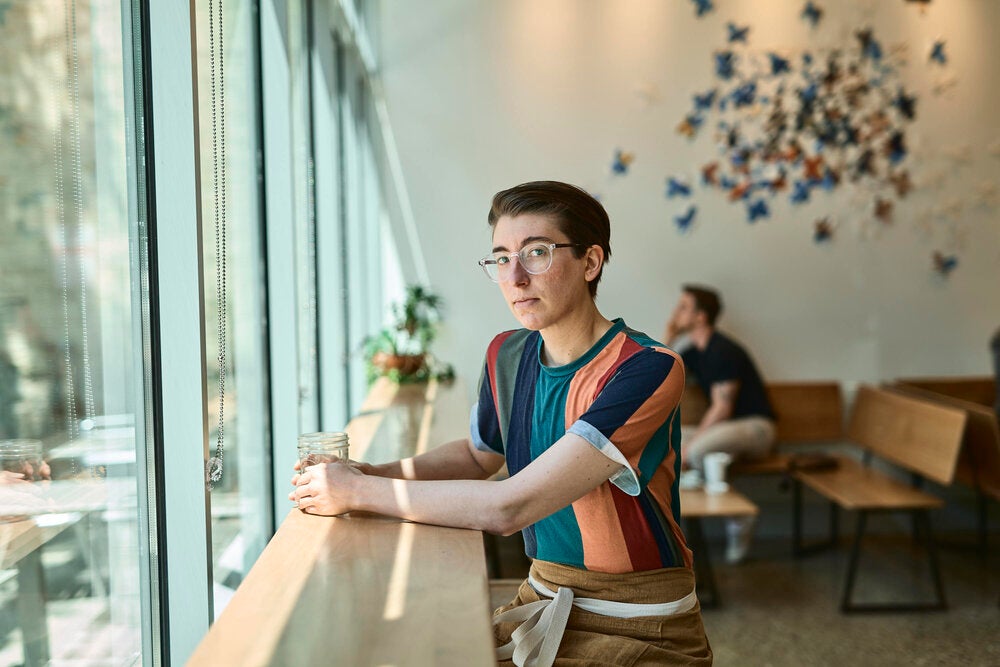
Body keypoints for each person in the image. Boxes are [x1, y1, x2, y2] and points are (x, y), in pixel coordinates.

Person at [290, 181, 712, 665]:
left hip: (644, 622)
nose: (515, 277)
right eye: (501, 258)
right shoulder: (506, 354)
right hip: (543, 597)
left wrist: (358, 494)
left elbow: (511, 508)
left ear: (591, 263)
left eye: (536, 253)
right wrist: (371, 473)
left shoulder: (647, 368)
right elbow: (477, 455)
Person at [664, 285, 775, 563]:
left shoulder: (723, 351)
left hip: (757, 428)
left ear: (701, 317)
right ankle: (708, 493)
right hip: (727, 432)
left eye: (683, 308)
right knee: (670, 439)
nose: (676, 313)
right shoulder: (694, 351)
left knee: (698, 451)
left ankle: (739, 518)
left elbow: (722, 408)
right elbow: (658, 372)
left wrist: (690, 448)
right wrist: (671, 335)